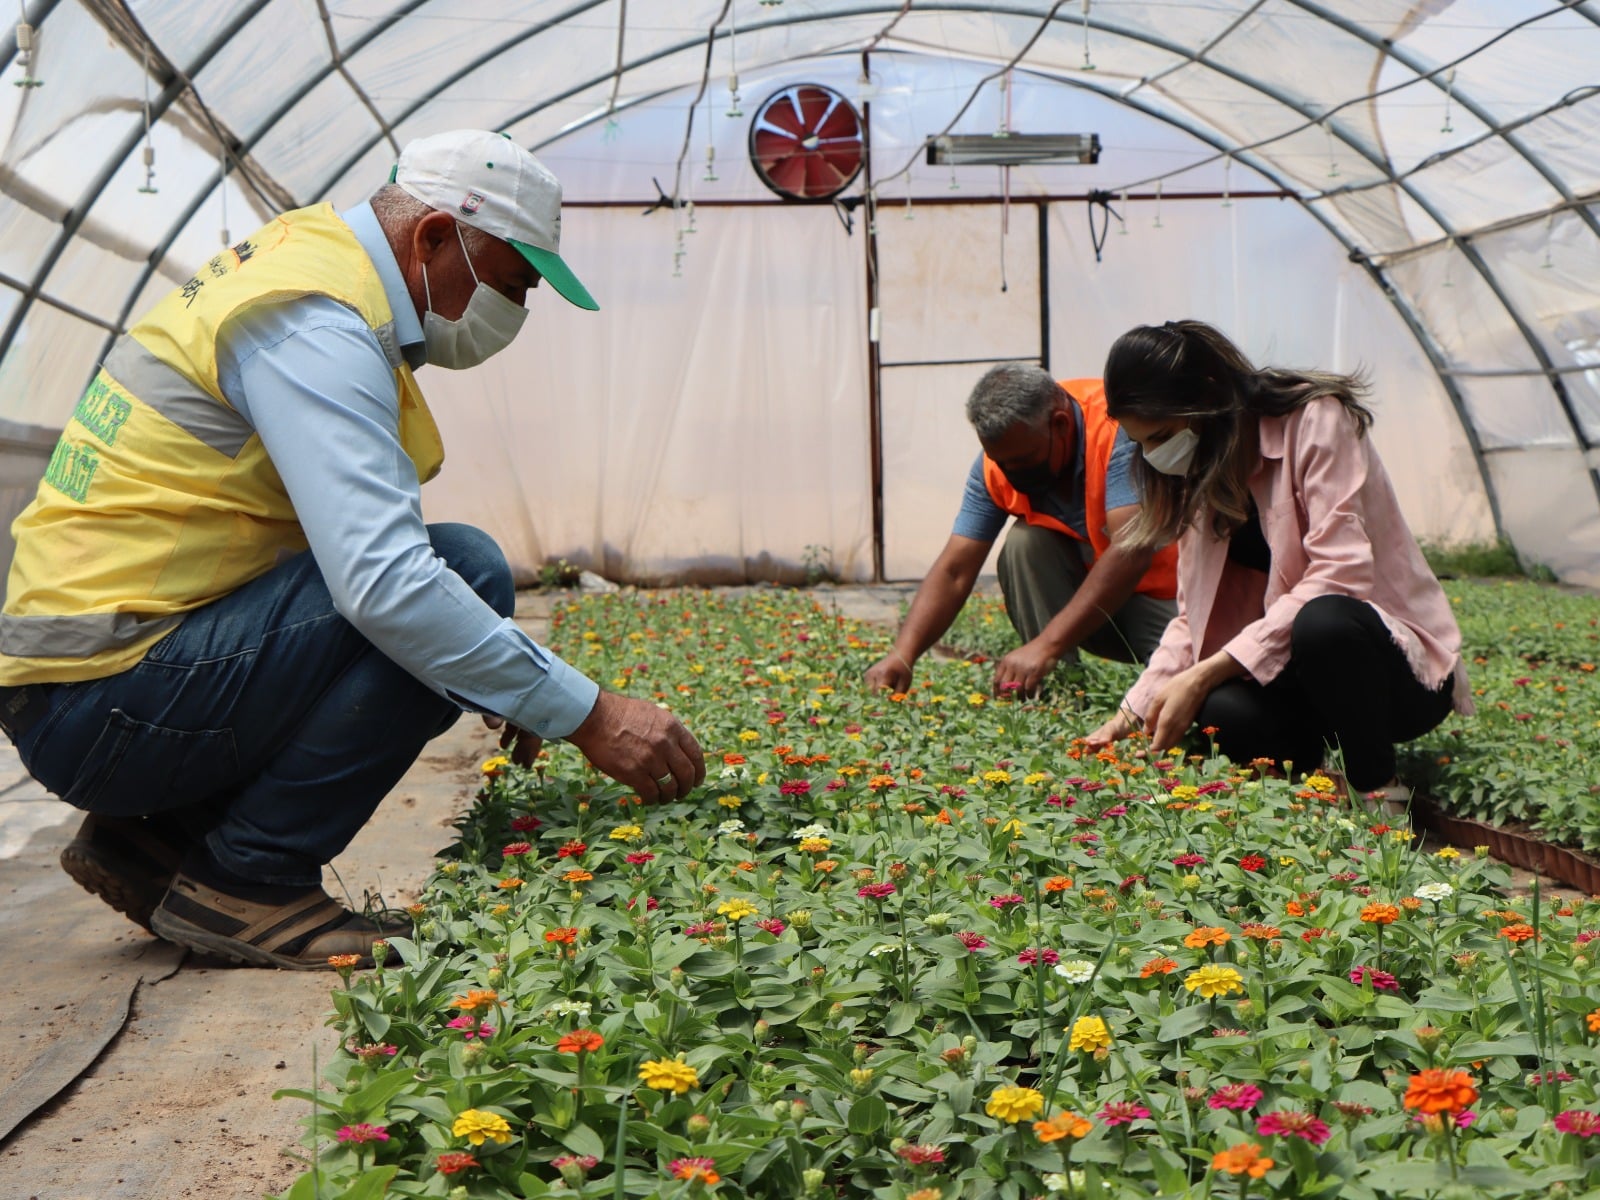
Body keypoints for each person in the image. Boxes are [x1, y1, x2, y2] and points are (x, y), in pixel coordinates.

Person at [0, 129, 705, 969]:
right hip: (105, 702)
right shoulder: (315, 323)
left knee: (450, 588)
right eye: (513, 284)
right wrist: (587, 712)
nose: (515, 312)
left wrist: (498, 671)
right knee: (463, 574)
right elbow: (386, 585)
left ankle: (152, 842)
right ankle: (247, 880)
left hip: (94, 685)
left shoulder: (310, 270)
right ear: (434, 237)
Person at [1085, 320, 1472, 791]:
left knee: (1324, 620)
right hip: (1304, 683)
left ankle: (1376, 788)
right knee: (1218, 712)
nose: (1154, 456)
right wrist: (1133, 710)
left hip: (1393, 678)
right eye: (1143, 443)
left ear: (1207, 396)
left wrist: (1206, 672)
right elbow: (1192, 619)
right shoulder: (1200, 470)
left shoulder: (1316, 421)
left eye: (1162, 435)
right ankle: (1309, 779)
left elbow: (1340, 574)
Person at [864, 364, 1178, 696]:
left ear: (1059, 424)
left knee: (1193, 689)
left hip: (1172, 600)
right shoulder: (996, 465)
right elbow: (955, 569)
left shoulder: (1118, 426)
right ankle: (1059, 695)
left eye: (1024, 460)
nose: (1012, 472)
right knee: (1025, 542)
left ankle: (1161, 673)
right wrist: (903, 654)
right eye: (1002, 462)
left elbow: (1131, 552)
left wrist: (1047, 644)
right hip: (1095, 610)